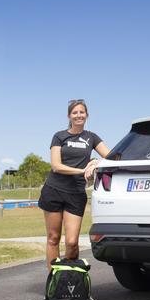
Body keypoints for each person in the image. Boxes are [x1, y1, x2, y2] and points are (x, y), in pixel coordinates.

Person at [38, 99, 110, 269]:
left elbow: (112, 156)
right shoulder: (59, 136)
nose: (78, 115)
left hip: (76, 194)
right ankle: (54, 283)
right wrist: (83, 171)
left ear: (87, 115)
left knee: (71, 242)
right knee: (53, 238)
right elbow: (56, 166)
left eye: (81, 112)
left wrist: (96, 163)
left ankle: (70, 280)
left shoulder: (91, 137)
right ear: (69, 116)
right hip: (53, 190)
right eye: (75, 112)